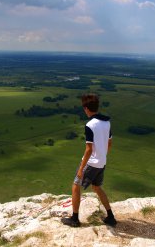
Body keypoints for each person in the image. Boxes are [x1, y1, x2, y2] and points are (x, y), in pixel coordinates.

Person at [61, 93, 117, 227]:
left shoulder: (90, 125)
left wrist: (81, 169)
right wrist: (102, 156)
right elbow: (109, 144)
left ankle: (74, 219)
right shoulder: (107, 122)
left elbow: (89, 149)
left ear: (86, 108)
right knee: (97, 187)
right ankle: (110, 217)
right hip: (102, 162)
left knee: (75, 185)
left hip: (91, 163)